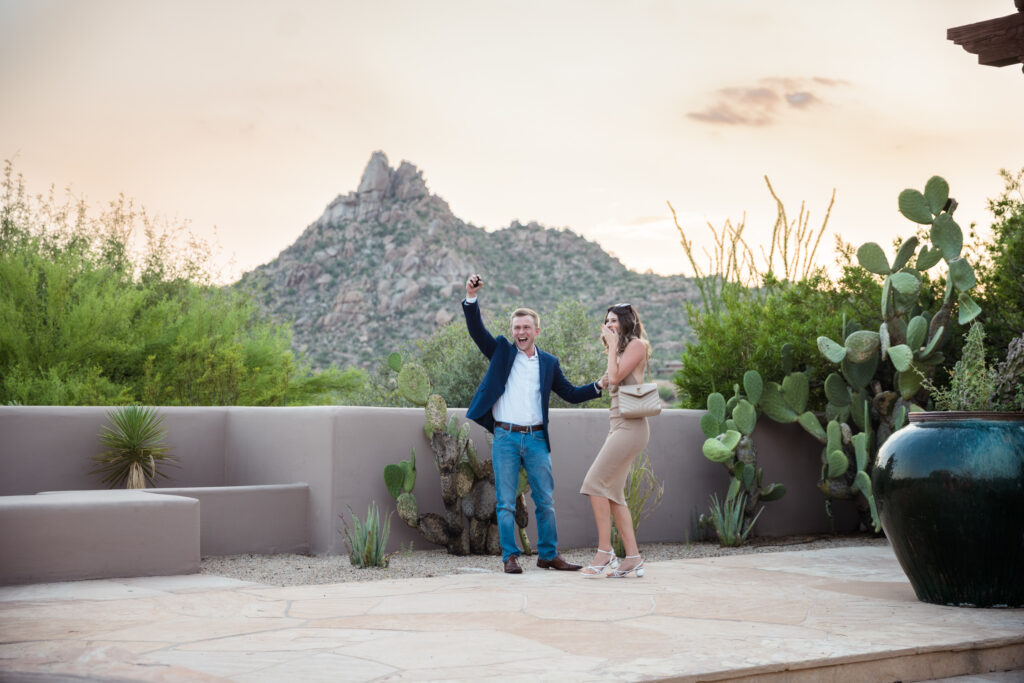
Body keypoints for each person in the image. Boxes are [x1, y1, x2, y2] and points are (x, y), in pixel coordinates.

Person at [462, 273, 605, 574]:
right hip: (505, 438)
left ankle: (548, 555)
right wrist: (471, 297)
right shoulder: (501, 351)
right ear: (512, 331)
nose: (521, 331)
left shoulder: (548, 363)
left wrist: (598, 386)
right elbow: (477, 332)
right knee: (505, 503)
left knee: (545, 501)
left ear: (537, 330)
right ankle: (509, 557)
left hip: (537, 439)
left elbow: (569, 393)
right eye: (517, 327)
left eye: (526, 327)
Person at [579, 303, 652, 578]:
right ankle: (632, 557)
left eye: (614, 321)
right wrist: (612, 351)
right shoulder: (620, 350)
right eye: (606, 320)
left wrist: (611, 349)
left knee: (594, 483)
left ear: (625, 322)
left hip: (631, 427)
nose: (609, 325)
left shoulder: (636, 345)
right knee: (613, 494)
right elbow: (609, 380)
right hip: (617, 424)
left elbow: (616, 378)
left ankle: (605, 550)